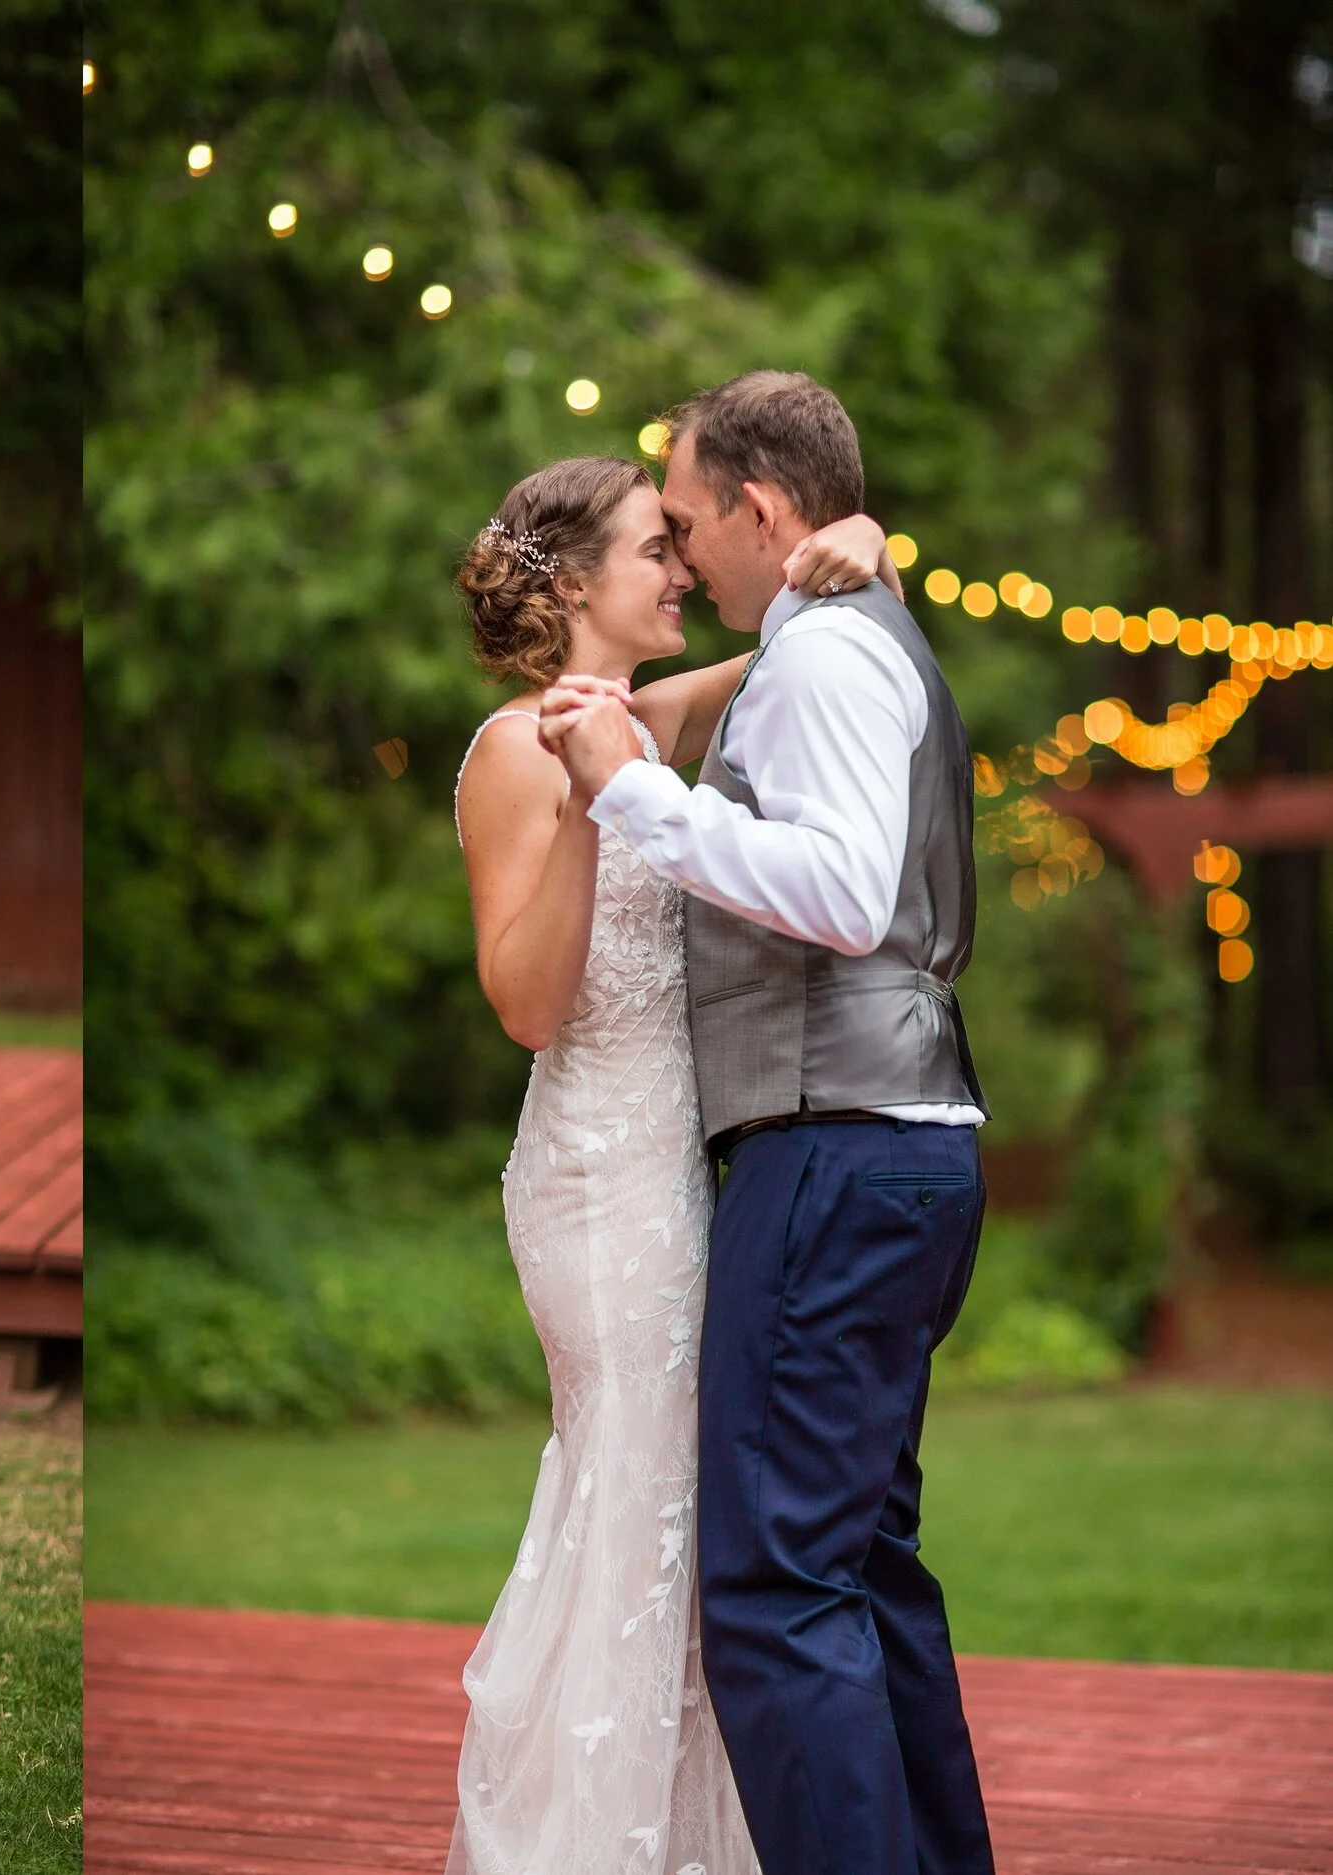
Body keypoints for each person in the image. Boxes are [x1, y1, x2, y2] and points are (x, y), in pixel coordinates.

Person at [541, 371, 994, 1875]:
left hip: (835, 1144)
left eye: (686, 521)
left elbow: (846, 894)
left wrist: (633, 797)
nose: (681, 553)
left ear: (760, 506)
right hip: (895, 1139)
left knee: (776, 1590)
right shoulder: (835, 634)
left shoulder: (824, 659)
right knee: (857, 1567)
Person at [446, 448, 901, 1873]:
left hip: (685, 1175)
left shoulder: (640, 717)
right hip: (597, 1180)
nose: (685, 568)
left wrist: (863, 539)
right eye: (657, 546)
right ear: (578, 579)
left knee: (684, 1508)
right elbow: (527, 1005)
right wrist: (592, 801)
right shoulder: (516, 751)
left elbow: (790, 656)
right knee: (632, 1493)